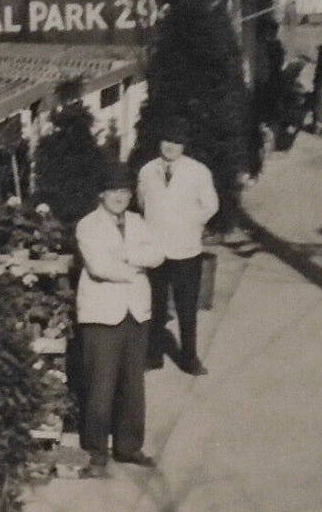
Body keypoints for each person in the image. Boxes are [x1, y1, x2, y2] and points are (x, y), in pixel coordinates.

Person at [75, 160, 163, 475]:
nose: (119, 197)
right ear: (101, 193)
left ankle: (129, 447)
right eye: (113, 191)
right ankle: (97, 451)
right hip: (102, 313)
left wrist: (127, 256)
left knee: (132, 383)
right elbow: (98, 266)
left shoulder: (139, 222)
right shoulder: (88, 225)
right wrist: (134, 270)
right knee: (100, 383)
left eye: (124, 191)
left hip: (136, 311)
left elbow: (157, 254)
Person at [137, 117, 218, 375]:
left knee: (186, 307)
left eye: (176, 141)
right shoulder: (147, 171)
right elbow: (142, 203)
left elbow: (210, 205)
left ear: (184, 145)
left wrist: (188, 224)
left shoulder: (198, 171)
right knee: (155, 305)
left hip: (186, 250)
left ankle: (190, 358)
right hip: (156, 251)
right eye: (166, 140)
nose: (170, 145)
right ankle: (154, 356)